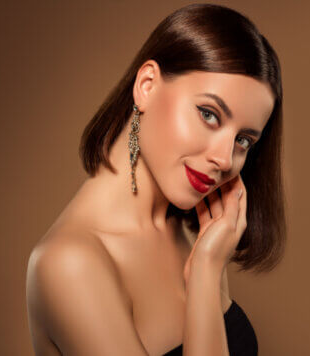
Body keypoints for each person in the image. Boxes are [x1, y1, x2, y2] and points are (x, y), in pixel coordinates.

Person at [25, 3, 286, 355]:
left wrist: (206, 263)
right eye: (209, 114)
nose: (224, 159)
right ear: (147, 85)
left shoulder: (199, 229)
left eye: (243, 140)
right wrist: (205, 276)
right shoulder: (69, 264)